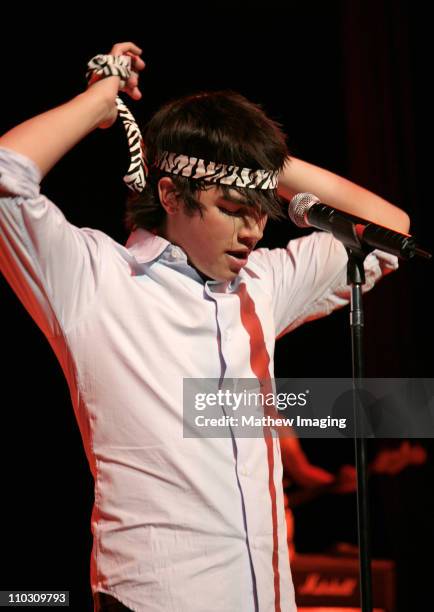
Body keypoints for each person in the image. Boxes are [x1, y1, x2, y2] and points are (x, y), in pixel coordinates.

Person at [0, 41, 410, 612]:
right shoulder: (92, 277)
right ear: (170, 193)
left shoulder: (264, 283)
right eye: (233, 207)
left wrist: (265, 163)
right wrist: (99, 100)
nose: (254, 231)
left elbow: (389, 228)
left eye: (261, 209)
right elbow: (5, 177)